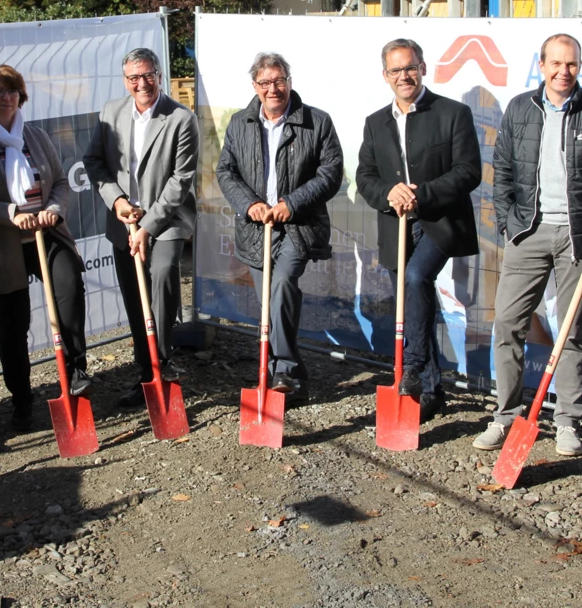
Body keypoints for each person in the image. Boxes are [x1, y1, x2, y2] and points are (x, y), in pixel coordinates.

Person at [0, 65, 91, 433]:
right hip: (2, 245)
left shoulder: (35, 135)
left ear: (20, 95)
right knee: (13, 327)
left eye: (12, 90)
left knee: (69, 293)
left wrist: (53, 209)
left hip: (47, 235)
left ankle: (75, 373)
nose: (5, 97)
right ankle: (21, 400)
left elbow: (61, 182)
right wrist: (9, 213)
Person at [356, 38, 481, 422]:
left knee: (415, 278)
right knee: (409, 299)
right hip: (396, 225)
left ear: (423, 68)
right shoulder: (376, 122)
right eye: (396, 70)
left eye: (410, 67)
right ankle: (430, 388)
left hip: (439, 222)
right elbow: (366, 175)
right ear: (385, 76)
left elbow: (468, 172)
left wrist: (421, 195)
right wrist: (388, 193)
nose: (404, 76)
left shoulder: (453, 114)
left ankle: (412, 370)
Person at [474, 33, 582, 456]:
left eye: (571, 64)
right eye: (556, 63)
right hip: (527, 233)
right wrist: (508, 224)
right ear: (541, 65)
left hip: (576, 237)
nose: (563, 71)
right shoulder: (521, 108)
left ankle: (568, 422)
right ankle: (505, 417)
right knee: (507, 326)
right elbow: (501, 169)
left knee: (572, 333)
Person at [216, 52, 343, 407]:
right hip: (257, 229)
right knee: (266, 304)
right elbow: (226, 171)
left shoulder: (316, 121)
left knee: (283, 283)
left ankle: (283, 367)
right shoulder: (240, 123)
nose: (274, 89)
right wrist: (249, 204)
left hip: (298, 227)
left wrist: (293, 203)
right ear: (254, 86)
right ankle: (288, 378)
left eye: (280, 80)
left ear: (290, 80)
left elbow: (330, 172)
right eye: (265, 82)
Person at [83, 48, 198, 408]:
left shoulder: (181, 118)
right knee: (135, 298)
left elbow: (181, 180)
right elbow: (94, 161)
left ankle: (162, 364)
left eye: (148, 75)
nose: (142, 84)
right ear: (125, 81)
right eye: (134, 78)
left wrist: (147, 226)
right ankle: (144, 373)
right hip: (123, 222)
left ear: (159, 76)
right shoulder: (110, 113)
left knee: (162, 275)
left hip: (167, 221)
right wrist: (117, 201)